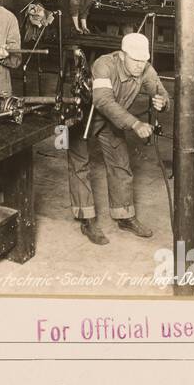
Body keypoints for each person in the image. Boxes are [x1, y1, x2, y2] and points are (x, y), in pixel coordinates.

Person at [67, 32, 171, 245]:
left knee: (121, 165)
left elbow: (160, 91)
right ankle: (86, 219)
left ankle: (124, 215)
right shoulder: (103, 65)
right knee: (79, 165)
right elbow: (103, 101)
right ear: (123, 55)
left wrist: (162, 101)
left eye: (144, 61)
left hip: (114, 118)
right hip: (82, 116)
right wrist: (135, 123)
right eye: (136, 60)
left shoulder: (145, 68)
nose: (140, 66)